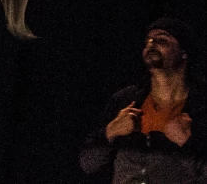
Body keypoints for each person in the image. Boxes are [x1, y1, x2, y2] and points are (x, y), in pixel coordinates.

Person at [80, 17, 207, 183]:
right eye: (148, 41)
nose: (151, 44)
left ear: (184, 52)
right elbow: (88, 164)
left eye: (162, 40)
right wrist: (110, 132)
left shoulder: (200, 105)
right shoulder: (126, 99)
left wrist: (188, 143)